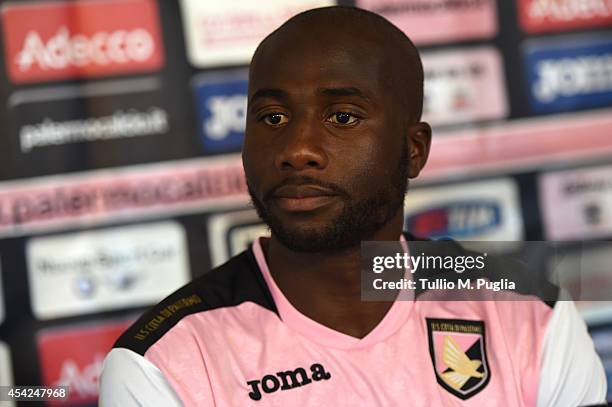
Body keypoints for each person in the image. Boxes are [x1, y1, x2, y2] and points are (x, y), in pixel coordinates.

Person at [99, 6, 607, 406]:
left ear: (414, 150)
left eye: (342, 116)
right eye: (272, 118)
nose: (297, 149)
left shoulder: (529, 309)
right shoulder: (164, 362)